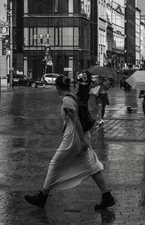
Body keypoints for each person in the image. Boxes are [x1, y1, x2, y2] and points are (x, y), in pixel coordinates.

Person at [24, 75, 115, 210]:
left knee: (55, 163)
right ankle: (107, 196)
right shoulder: (74, 95)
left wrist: (82, 141)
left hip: (73, 136)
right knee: (93, 166)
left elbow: (76, 120)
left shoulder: (67, 99)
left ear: (58, 87)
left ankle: (42, 197)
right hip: (81, 134)